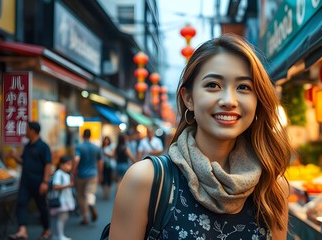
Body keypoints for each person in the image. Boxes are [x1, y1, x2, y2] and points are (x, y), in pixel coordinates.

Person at [110, 34, 292, 239]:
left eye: (243, 87)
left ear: (257, 100)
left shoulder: (272, 188)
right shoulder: (146, 181)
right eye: (213, 85)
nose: (229, 100)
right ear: (188, 98)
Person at [9, 122, 52, 240]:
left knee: (42, 206)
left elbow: (48, 164)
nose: (25, 132)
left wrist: (45, 182)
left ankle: (47, 229)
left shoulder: (43, 146)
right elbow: (23, 161)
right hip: (25, 181)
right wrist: (15, 157)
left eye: (27, 129)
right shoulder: (27, 146)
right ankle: (22, 230)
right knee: (21, 204)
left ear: (33, 131)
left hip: (38, 182)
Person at [73, 129, 103, 225]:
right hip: (92, 174)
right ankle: (91, 203)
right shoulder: (96, 147)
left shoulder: (79, 147)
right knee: (89, 193)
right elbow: (100, 162)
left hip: (81, 175)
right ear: (90, 136)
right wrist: (100, 174)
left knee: (81, 196)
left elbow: (76, 159)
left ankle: (85, 217)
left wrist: (73, 171)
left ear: (83, 135)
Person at [50, 155, 75, 240]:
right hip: (62, 199)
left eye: (70, 164)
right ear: (61, 164)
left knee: (63, 217)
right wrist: (68, 185)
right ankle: (60, 236)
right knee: (62, 218)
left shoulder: (65, 174)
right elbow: (55, 186)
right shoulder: (59, 173)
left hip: (65, 199)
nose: (69, 166)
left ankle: (58, 235)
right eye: (68, 164)